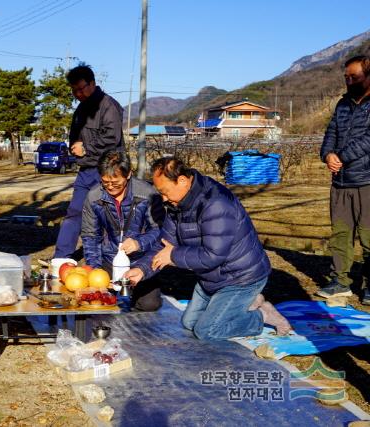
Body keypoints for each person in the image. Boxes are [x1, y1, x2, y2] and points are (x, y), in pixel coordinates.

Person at [126, 157, 292, 339]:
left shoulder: (216, 204)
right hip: (212, 277)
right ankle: (244, 304)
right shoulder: (177, 204)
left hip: (241, 277)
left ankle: (261, 315)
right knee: (189, 323)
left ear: (181, 180)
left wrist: (173, 255)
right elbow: (164, 244)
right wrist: (141, 270)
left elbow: (213, 255)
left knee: (206, 331)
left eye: (165, 192)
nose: (163, 198)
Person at [53, 64, 125, 259]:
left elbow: (112, 137)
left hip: (107, 170)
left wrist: (85, 147)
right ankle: (61, 258)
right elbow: (74, 137)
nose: (78, 93)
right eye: (74, 90)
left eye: (82, 88)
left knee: (105, 216)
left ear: (92, 83)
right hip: (85, 169)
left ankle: (105, 259)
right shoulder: (81, 109)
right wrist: (74, 148)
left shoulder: (108, 105)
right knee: (74, 212)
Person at [81, 150, 164, 311]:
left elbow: (159, 230)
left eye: (116, 183)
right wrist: (95, 270)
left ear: (128, 175)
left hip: (141, 260)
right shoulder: (94, 197)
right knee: (99, 302)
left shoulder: (147, 194)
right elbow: (90, 236)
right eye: (105, 182)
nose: (110, 187)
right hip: (109, 260)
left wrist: (139, 243)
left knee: (149, 305)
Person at [318, 55, 370, 305]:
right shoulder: (343, 104)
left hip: (367, 180)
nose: (349, 81)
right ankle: (340, 281)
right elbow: (331, 132)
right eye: (346, 77)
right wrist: (327, 154)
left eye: (354, 76)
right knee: (340, 234)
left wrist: (341, 156)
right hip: (341, 182)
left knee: (369, 237)